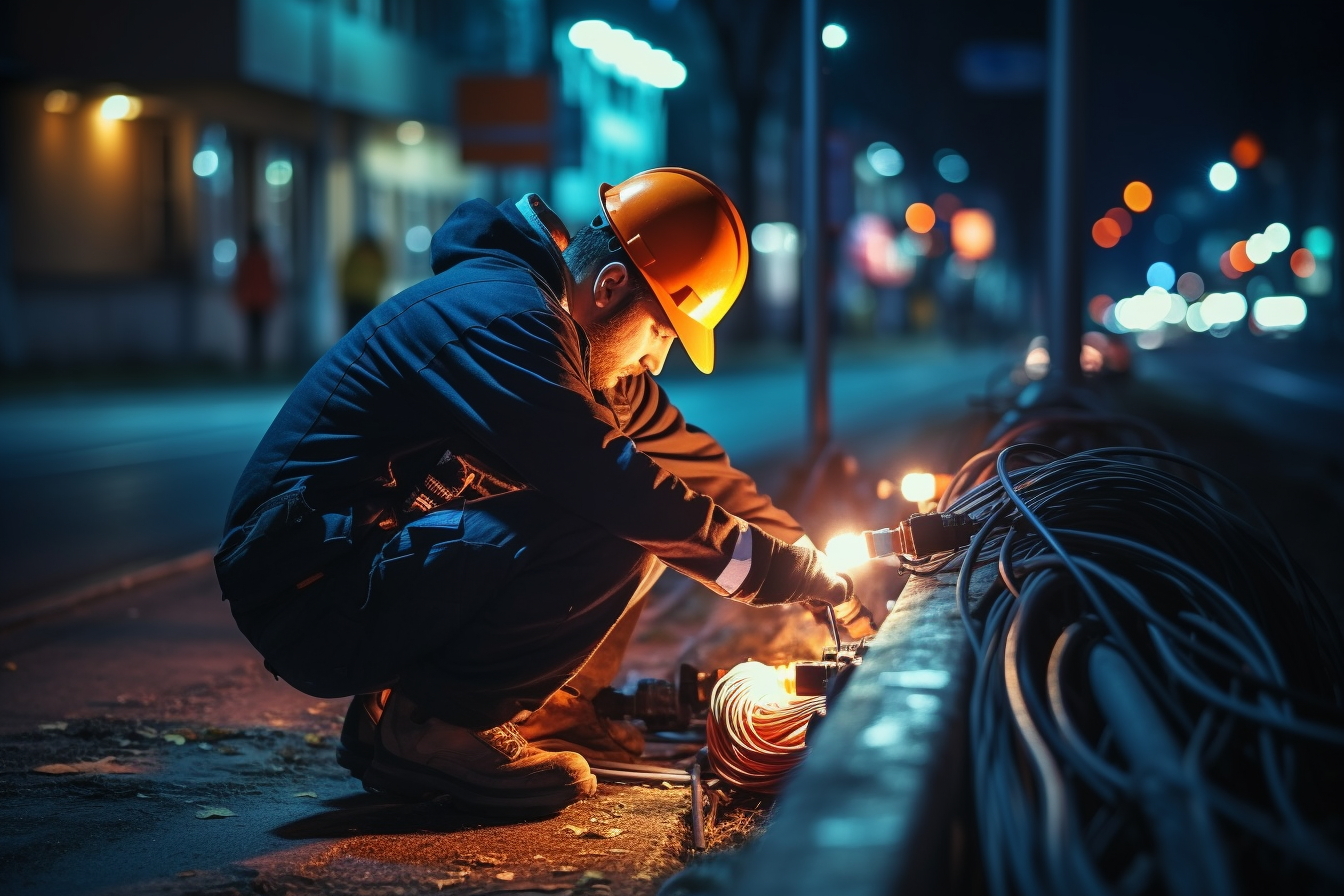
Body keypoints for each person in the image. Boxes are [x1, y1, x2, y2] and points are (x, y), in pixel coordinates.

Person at [214, 168, 877, 818]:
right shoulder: (503, 321)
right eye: (661, 332)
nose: (655, 361)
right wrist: (769, 572)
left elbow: (701, 473)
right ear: (611, 285)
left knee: (653, 512)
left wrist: (819, 568)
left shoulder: (582, 356)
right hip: (311, 596)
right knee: (624, 523)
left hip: (365, 573)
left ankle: (529, 711)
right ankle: (435, 727)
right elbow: (617, 486)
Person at [234, 227, 277, 372]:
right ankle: (257, 364)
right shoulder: (263, 258)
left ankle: (254, 364)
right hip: (261, 300)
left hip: (252, 300)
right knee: (259, 334)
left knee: (253, 334)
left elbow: (240, 281)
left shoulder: (248, 259)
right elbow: (271, 280)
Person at [340, 233, 388, 331]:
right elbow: (382, 273)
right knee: (366, 327)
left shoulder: (356, 254)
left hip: (355, 297)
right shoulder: (375, 255)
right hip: (365, 298)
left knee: (353, 327)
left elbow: (346, 273)